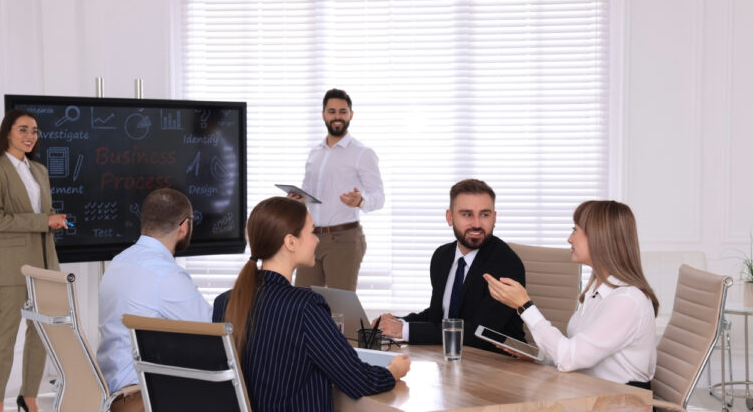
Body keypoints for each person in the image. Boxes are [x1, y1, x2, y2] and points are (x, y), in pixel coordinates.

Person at [213, 197, 409, 411]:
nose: (317, 240)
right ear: (290, 242)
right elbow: (357, 379)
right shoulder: (306, 306)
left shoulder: (224, 302)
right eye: (312, 231)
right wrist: (393, 371)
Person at [484, 200, 658, 388]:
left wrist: (524, 306)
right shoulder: (595, 293)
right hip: (589, 393)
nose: (569, 238)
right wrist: (537, 357)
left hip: (620, 402)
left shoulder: (626, 301)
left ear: (598, 237)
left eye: (575, 230)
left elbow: (568, 359)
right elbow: (578, 359)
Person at [375, 179, 526, 351]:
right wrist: (397, 323)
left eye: (485, 214)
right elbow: (439, 315)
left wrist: (405, 330)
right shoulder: (442, 257)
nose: (477, 224)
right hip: (452, 358)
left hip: (497, 364)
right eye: (467, 214)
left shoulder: (506, 264)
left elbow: (480, 333)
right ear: (449, 217)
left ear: (494, 218)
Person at [97, 188, 212, 411]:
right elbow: (214, 330)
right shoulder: (165, 274)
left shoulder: (118, 262)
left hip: (107, 389)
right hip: (138, 395)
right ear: (184, 227)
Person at [0, 110, 69, 412]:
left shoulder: (39, 171)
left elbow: (39, 218)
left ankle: (28, 396)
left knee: (41, 331)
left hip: (44, 262)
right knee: (6, 334)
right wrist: (43, 220)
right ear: (8, 132)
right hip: (12, 265)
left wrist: (52, 222)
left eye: (34, 131)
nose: (30, 136)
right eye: (23, 130)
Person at [291, 88, 384, 291]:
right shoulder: (315, 153)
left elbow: (378, 196)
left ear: (351, 114)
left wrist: (360, 201)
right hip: (311, 238)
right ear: (324, 114)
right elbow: (309, 192)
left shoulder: (362, 153)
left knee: (340, 308)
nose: (337, 116)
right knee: (301, 300)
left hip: (344, 240)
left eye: (343, 111)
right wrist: (299, 198)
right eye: (332, 111)